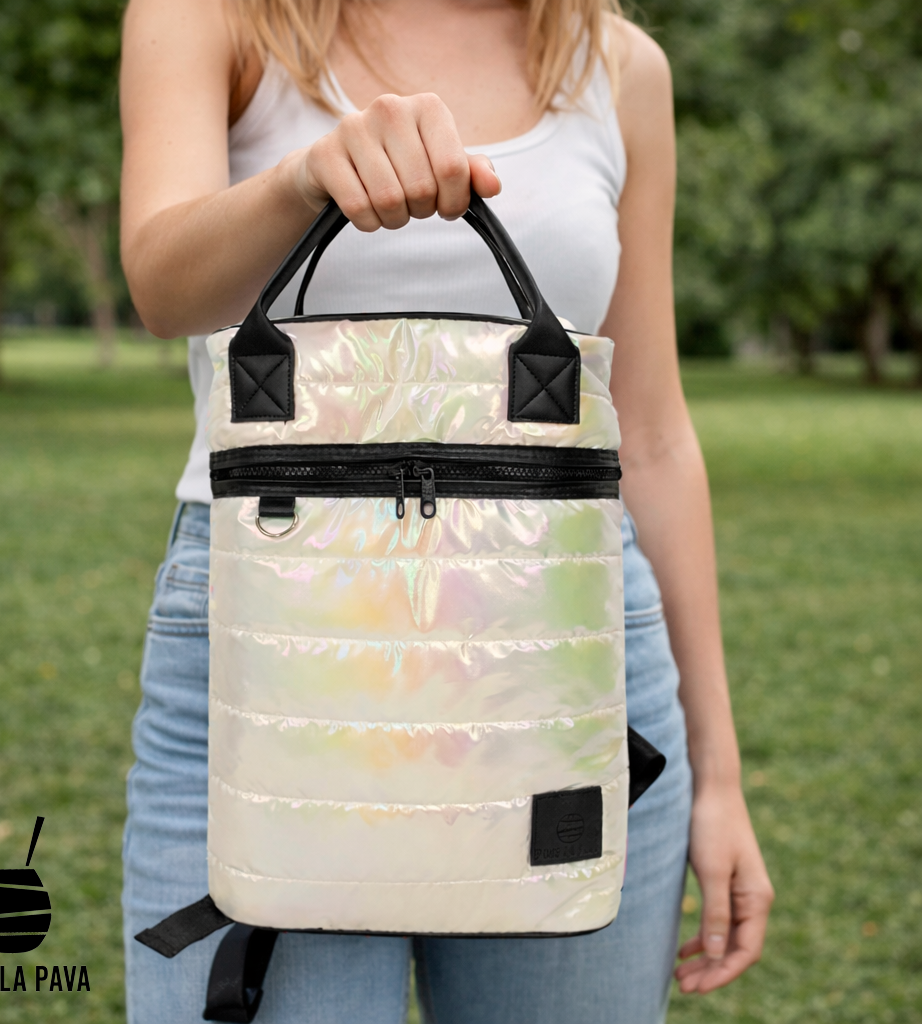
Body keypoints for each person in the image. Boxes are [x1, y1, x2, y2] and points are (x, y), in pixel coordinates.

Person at [118, 1, 775, 1021]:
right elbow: (164, 290)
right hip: (272, 658)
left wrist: (720, 779)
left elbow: (648, 433)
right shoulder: (217, 15)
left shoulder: (616, 63)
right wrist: (302, 181)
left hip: (565, 673)